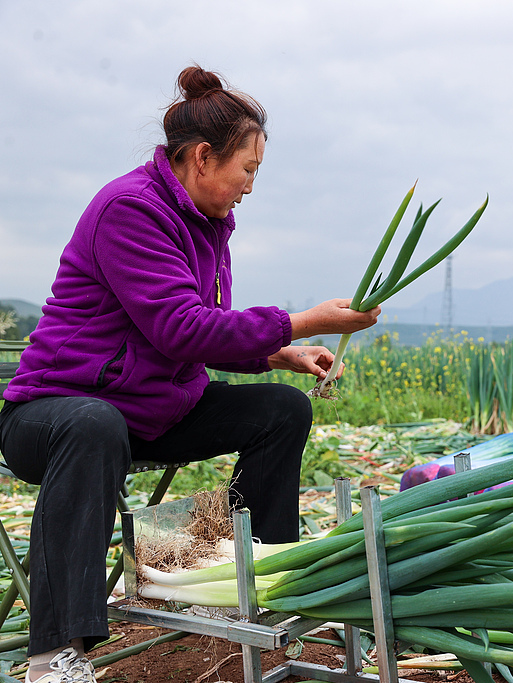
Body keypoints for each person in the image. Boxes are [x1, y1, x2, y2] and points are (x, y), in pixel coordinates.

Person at [0, 66, 380, 683]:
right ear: (203, 157)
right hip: (56, 416)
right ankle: (52, 653)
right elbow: (180, 328)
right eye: (248, 170)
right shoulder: (130, 209)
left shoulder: (206, 222)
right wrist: (301, 322)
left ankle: (252, 579)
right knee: (94, 424)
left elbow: (203, 324)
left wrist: (276, 353)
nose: (250, 187)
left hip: (147, 414)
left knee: (283, 410)